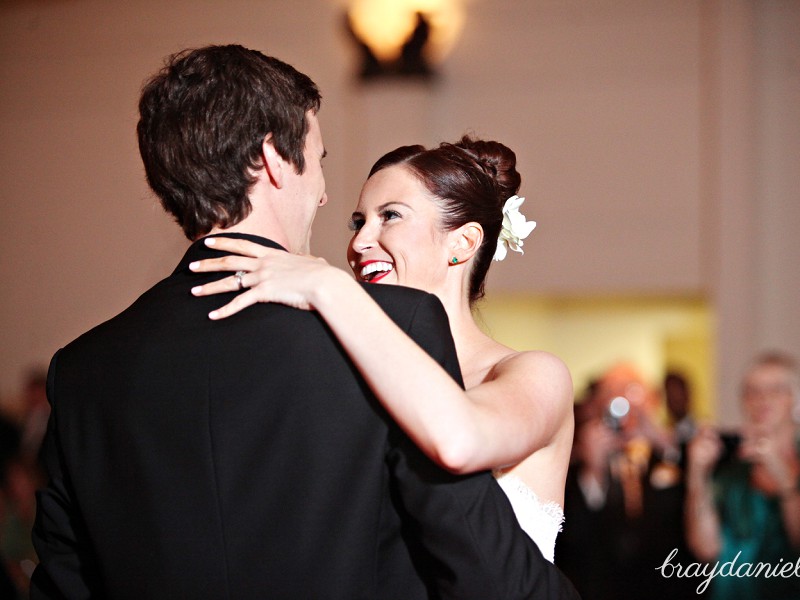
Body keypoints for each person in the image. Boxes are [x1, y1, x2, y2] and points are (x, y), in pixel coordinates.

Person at [29, 44, 579, 599]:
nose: (322, 197)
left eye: (389, 216)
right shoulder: (388, 328)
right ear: (273, 159)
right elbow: (482, 565)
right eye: (317, 160)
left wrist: (328, 284)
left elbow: (65, 583)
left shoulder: (82, 369)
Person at [188, 134, 576, 562]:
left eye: (390, 216)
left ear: (462, 242)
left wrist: (329, 286)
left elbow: (460, 439)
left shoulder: (535, 374)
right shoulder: (341, 370)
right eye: (358, 223)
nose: (358, 244)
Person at [685, 351, 800, 600]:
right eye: (751, 391)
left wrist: (783, 476)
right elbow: (706, 549)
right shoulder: (731, 477)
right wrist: (697, 474)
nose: (762, 399)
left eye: (776, 390)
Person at [555, 366, 694, 600]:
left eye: (633, 391)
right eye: (613, 392)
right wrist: (593, 471)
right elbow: (571, 540)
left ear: (652, 400)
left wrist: (665, 444)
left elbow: (688, 513)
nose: (625, 403)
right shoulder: (578, 459)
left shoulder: (670, 455)